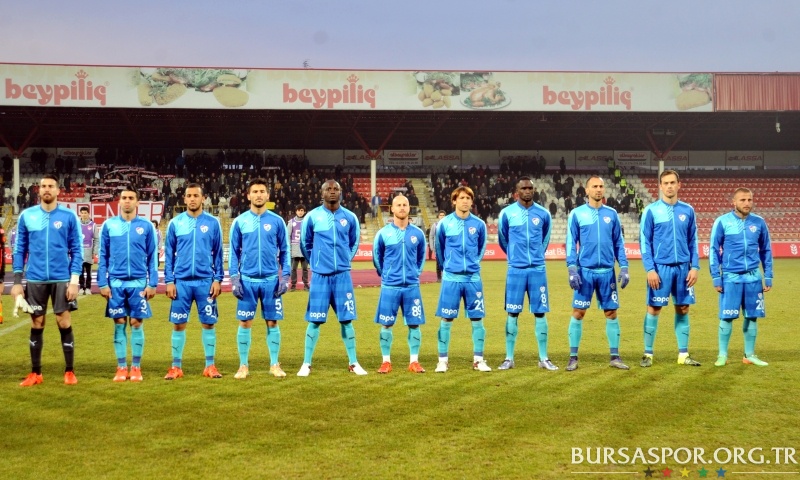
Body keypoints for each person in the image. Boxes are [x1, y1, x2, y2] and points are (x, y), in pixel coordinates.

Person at [12, 174, 82, 387]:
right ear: (38, 190)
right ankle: (36, 373)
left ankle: (69, 371)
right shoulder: (27, 216)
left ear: (58, 190)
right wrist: (17, 281)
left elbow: (77, 250)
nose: (47, 189)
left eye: (51, 186)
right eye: (43, 186)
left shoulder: (69, 217)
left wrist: (74, 281)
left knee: (64, 321)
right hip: (35, 278)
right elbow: (19, 249)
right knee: (37, 322)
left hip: (62, 278)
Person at [297, 180, 367, 376]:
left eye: (336, 189)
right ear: (322, 193)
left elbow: (354, 243)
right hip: (320, 277)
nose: (332, 192)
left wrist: (344, 260)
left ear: (341, 192)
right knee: (314, 320)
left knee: (347, 320)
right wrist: (317, 262)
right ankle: (306, 363)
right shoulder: (312, 216)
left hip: (342, 276)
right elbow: (305, 244)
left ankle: (353, 362)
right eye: (328, 189)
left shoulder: (350, 217)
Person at [565, 175, 630, 371]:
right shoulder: (577, 214)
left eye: (601, 186)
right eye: (594, 186)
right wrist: (572, 268)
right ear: (587, 190)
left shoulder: (612, 214)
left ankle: (615, 357)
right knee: (578, 312)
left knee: (611, 312)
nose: (598, 189)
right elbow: (571, 242)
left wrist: (624, 267)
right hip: (585, 272)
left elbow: (619, 242)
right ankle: (573, 358)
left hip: (607, 272)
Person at [228, 178, 291, 379]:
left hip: (271, 280)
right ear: (248, 195)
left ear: (267, 195)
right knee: (245, 322)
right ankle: (243, 365)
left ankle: (274, 364)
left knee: (272, 322)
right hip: (247, 281)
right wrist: (234, 279)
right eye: (254, 191)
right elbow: (234, 252)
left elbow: (285, 251)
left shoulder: (277, 221)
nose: (258, 195)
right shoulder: (240, 221)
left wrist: (285, 276)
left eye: (262, 191)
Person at [638, 170, 701, 368]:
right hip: (660, 269)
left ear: (679, 185)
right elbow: (644, 242)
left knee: (683, 308)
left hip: (683, 268)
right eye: (665, 183)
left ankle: (683, 354)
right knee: (654, 308)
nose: (669, 186)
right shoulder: (651, 211)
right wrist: (650, 269)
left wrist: (695, 266)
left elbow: (693, 240)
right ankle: (648, 354)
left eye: (673, 182)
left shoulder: (688, 210)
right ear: (660, 186)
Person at [163, 183, 224, 380]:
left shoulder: (213, 223)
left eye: (196, 195)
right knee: (178, 324)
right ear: (184, 199)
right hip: (181, 282)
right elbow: (169, 255)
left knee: (208, 324)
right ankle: (176, 367)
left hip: (205, 281)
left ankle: (210, 366)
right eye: (188, 195)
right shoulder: (176, 223)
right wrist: (169, 281)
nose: (192, 199)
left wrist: (218, 279)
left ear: (203, 198)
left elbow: (218, 254)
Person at [97, 187, 158, 382]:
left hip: (139, 283)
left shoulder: (146, 226)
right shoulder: (109, 225)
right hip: (116, 283)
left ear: (138, 202)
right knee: (119, 323)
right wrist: (102, 282)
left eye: (131, 198)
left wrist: (153, 283)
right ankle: (122, 367)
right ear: (119, 201)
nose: (127, 201)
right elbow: (103, 256)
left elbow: (153, 257)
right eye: (124, 197)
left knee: (136, 323)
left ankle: (136, 367)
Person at [496, 177, 558, 371]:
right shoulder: (507, 213)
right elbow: (503, 239)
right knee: (512, 312)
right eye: (524, 188)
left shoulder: (543, 214)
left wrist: (536, 256)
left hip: (537, 269)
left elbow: (545, 239)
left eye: (530, 188)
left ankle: (543, 358)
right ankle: (509, 358)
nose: (528, 191)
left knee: (540, 312)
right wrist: (515, 256)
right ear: (517, 192)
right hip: (516, 270)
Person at [709, 187, 773, 367]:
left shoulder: (759, 222)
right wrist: (716, 276)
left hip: (753, 277)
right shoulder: (722, 221)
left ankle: (749, 355)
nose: (747, 203)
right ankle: (722, 355)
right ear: (734, 202)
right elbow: (714, 250)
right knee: (727, 317)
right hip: (731, 277)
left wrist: (768, 275)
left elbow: (766, 250)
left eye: (749, 200)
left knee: (752, 316)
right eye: (743, 200)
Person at [434, 186, 490, 373]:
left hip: (473, 278)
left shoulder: (479, 224)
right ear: (454, 201)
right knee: (446, 318)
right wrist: (448, 267)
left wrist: (473, 264)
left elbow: (481, 248)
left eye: (468, 198)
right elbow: (439, 249)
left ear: (472, 201)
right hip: (451, 278)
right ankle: (442, 361)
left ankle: (478, 360)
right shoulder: (445, 223)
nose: (465, 201)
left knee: (477, 318)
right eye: (461, 198)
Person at [372, 195, 427, 374]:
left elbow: (421, 257)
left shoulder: (418, 234)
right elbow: (377, 257)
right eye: (398, 205)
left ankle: (414, 361)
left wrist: (415, 273)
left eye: (405, 205)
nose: (402, 207)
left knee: (414, 324)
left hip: (411, 286)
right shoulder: (383, 233)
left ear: (409, 208)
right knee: (386, 324)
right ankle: (386, 361)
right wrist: (386, 275)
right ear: (392, 209)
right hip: (390, 286)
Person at [78, 206, 100, 295]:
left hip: (89, 253)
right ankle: (81, 288)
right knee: (80, 272)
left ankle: (88, 288)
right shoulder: (77, 224)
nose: (84, 214)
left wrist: (94, 252)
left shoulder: (93, 225)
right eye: (82, 213)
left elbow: (96, 239)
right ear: (80, 214)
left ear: (88, 214)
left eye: (85, 213)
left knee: (88, 272)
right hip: (79, 252)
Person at [288, 204, 309, 291]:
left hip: (304, 249)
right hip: (295, 249)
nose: (300, 212)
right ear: (296, 211)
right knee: (293, 269)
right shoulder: (291, 222)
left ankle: (306, 285)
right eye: (298, 210)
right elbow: (288, 236)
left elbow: (310, 235)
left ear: (304, 212)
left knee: (305, 269)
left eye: (302, 210)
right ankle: (293, 285)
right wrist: (289, 249)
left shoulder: (307, 221)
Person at [428, 210, 446, 281]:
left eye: (443, 215)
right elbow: (431, 236)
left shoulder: (448, 225)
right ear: (438, 216)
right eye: (440, 215)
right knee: (438, 263)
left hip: (447, 247)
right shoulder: (435, 225)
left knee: (447, 262)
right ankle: (439, 278)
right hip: (438, 247)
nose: (442, 216)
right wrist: (432, 246)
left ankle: (446, 277)